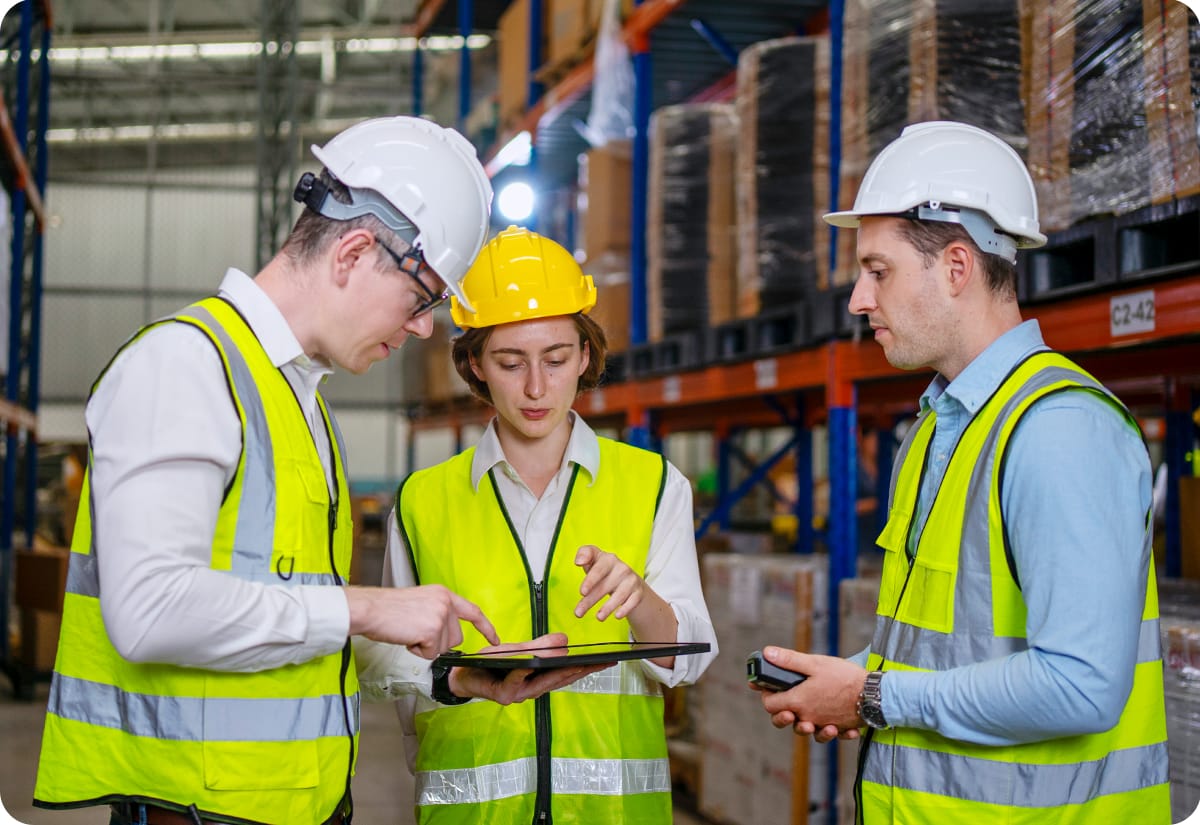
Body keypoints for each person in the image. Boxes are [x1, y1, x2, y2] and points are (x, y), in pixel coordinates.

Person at [33, 116, 506, 825]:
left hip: (298, 806)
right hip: (196, 811)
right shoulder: (188, 365)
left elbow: (301, 637)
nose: (422, 330)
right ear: (350, 253)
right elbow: (151, 610)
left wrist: (467, 676)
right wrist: (370, 605)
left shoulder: (300, 402)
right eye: (421, 299)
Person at [753, 121, 1170, 824]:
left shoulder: (1058, 429)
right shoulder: (940, 428)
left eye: (877, 270)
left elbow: (1082, 684)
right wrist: (847, 680)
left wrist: (872, 696)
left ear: (956, 267)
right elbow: (950, 644)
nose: (857, 299)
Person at [356, 225, 719, 824]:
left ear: (584, 355)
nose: (535, 387)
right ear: (474, 362)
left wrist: (640, 600)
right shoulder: (424, 502)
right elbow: (378, 664)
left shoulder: (653, 485)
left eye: (555, 359)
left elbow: (691, 659)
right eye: (509, 361)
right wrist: (461, 678)